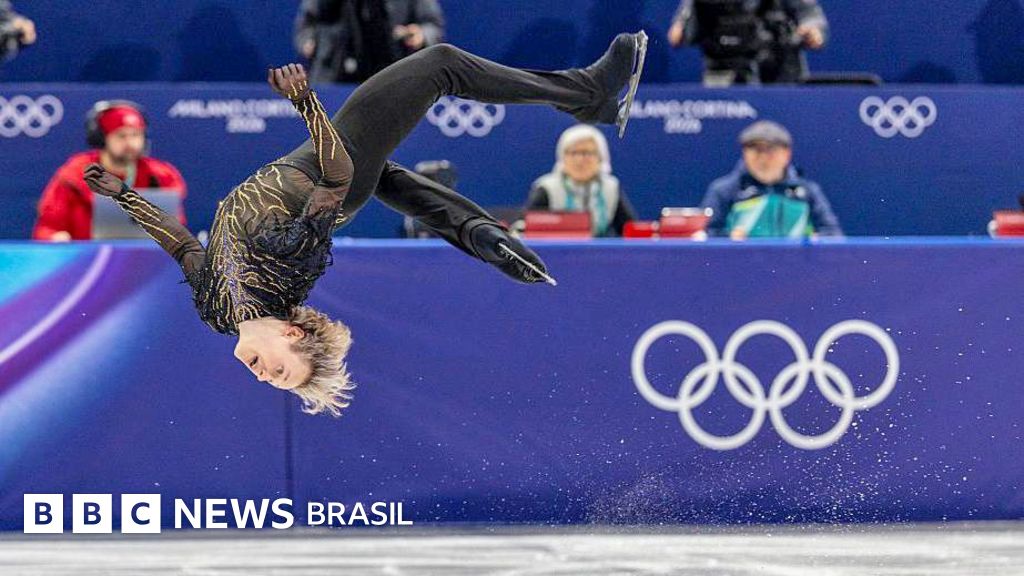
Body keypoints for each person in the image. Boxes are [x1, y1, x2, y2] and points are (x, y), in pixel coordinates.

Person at [82, 33, 649, 417]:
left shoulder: (217, 311)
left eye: (273, 382)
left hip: (337, 168)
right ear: (293, 335)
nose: (264, 377)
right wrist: (307, 104)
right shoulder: (285, 273)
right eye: (283, 374)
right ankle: (586, 95)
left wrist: (125, 196)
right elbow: (335, 178)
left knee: (393, 176)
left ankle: (479, 235)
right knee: (439, 65)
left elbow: (182, 244)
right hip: (335, 169)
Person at [32, 101, 187, 242]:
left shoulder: (161, 176)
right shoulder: (74, 174)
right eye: (121, 136)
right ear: (101, 138)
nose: (130, 143)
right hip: (86, 263)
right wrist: (56, 238)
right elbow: (47, 227)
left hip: (145, 263)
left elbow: (176, 229)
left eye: (135, 135)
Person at [700, 120, 841, 239]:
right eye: (755, 150)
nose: (762, 157)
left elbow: (832, 233)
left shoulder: (808, 191)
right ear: (744, 153)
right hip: (741, 267)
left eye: (770, 150)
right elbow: (706, 234)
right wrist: (729, 239)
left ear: (787, 154)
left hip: (797, 267)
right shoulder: (723, 190)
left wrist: (815, 242)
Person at [667, 0, 828, 85]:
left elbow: (810, 16)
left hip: (778, 73)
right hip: (724, 71)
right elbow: (678, 34)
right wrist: (682, 27)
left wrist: (812, 31)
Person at [525, 125, 637, 237]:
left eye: (586, 153)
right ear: (562, 157)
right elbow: (524, 229)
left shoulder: (611, 188)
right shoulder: (547, 188)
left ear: (601, 158)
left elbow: (630, 231)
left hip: (597, 252)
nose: (580, 160)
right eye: (573, 153)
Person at [294, 0, 445, 83]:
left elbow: (432, 26)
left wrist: (422, 34)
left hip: (389, 68)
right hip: (333, 70)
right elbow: (307, 23)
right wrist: (308, 41)